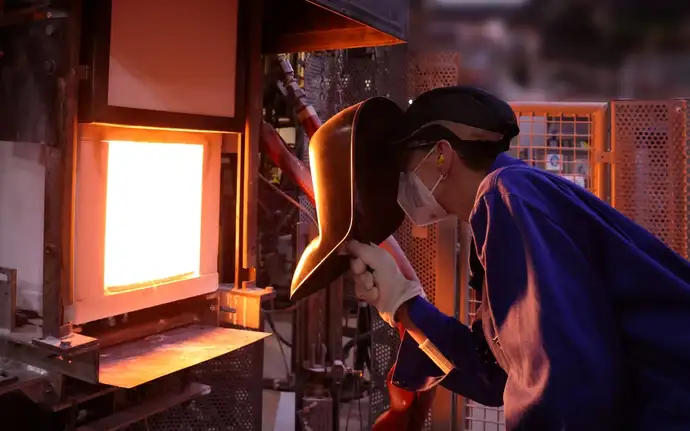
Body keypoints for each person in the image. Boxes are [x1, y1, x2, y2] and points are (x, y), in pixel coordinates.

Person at [346, 86, 690, 430]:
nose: (401, 186)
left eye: (406, 167)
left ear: (441, 155)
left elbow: (562, 388)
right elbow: (495, 376)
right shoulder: (504, 205)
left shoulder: (507, 198)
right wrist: (403, 303)